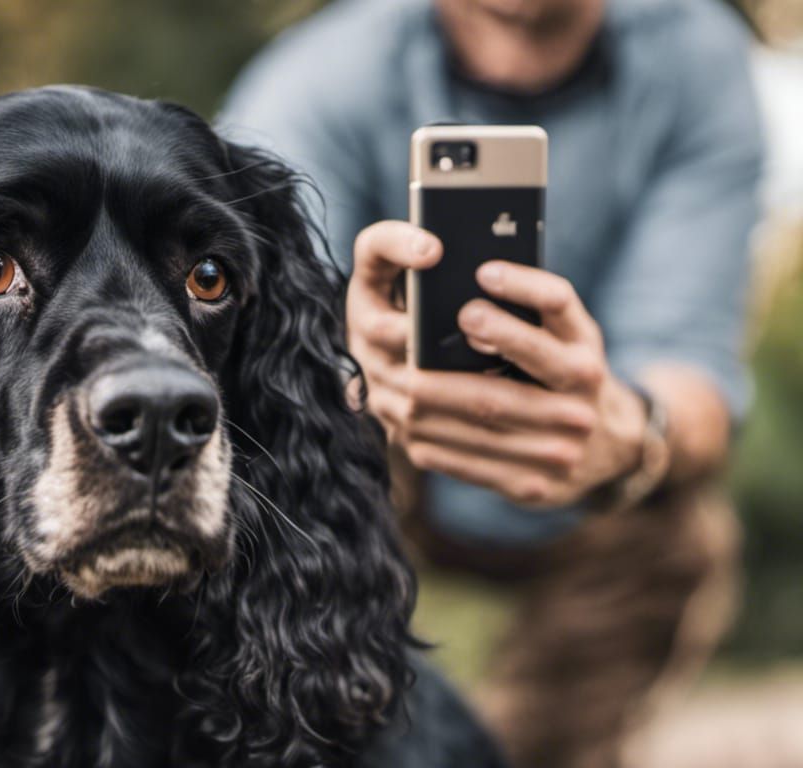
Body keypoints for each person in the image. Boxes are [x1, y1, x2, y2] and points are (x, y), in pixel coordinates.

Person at [219, 1, 763, 767]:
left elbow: (692, 368)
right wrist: (342, 376)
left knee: (677, 526)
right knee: (281, 478)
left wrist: (631, 432)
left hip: (592, 492)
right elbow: (235, 351)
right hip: (378, 463)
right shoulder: (316, 81)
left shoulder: (696, 58)